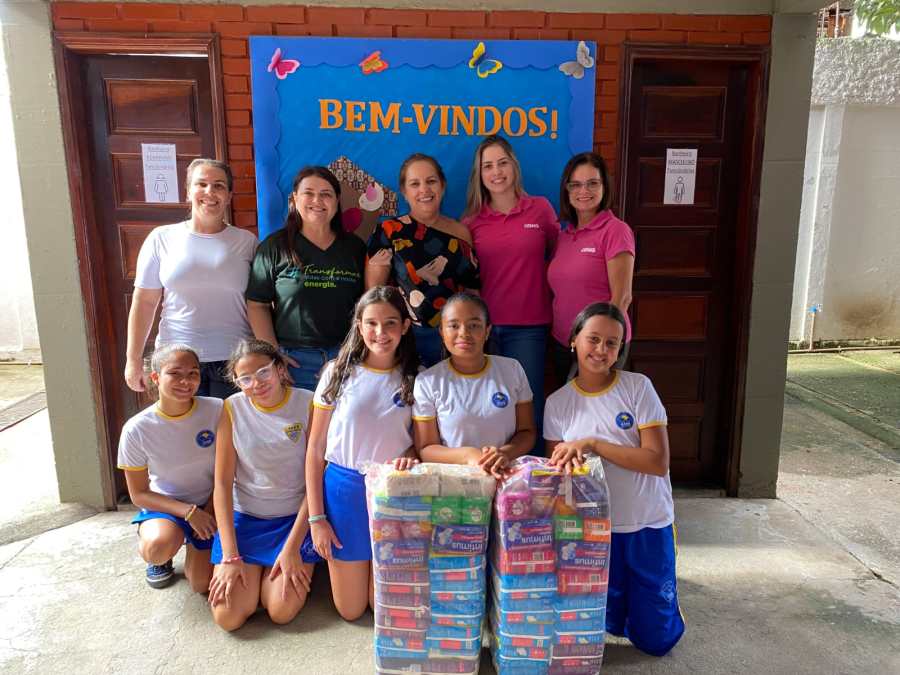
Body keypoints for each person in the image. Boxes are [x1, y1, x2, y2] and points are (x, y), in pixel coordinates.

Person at [545, 302, 684, 657]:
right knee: (600, 625)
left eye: (612, 343)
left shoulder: (638, 388)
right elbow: (557, 474)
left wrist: (593, 444)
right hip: (593, 532)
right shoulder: (558, 403)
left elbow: (657, 462)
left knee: (656, 640)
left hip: (646, 524)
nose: (601, 350)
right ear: (573, 340)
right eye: (593, 339)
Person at [304, 286, 420, 620]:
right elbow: (315, 449)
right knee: (351, 610)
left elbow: (419, 442)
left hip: (391, 490)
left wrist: (411, 454)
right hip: (344, 490)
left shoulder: (417, 378)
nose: (380, 332)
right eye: (371, 323)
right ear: (359, 325)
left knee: (381, 607)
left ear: (405, 326)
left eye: (390, 323)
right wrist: (317, 519)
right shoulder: (337, 373)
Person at [208, 340, 317, 631]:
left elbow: (316, 478)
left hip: (293, 520)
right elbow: (222, 484)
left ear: (280, 369)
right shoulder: (231, 408)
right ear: (236, 382)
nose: (256, 383)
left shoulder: (307, 402)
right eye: (245, 378)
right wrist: (230, 555)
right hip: (245, 518)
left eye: (263, 372)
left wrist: (293, 548)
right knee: (228, 617)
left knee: (281, 611)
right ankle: (251, 575)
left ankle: (291, 566)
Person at [125, 159, 258, 399]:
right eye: (201, 184)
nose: (210, 192)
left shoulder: (247, 242)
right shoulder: (161, 238)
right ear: (188, 191)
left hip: (234, 362)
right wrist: (133, 360)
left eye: (219, 185)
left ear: (229, 195)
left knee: (230, 425)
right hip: (176, 361)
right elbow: (144, 302)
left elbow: (259, 305)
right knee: (182, 424)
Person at [462, 135, 559, 453]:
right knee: (490, 409)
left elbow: (558, 256)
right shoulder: (471, 223)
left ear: (514, 166)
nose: (496, 172)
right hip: (485, 330)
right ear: (479, 174)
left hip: (530, 327)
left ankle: (534, 474)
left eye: (502, 163)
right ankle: (493, 474)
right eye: (488, 166)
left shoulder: (540, 210)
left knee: (529, 407)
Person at [246, 166, 366, 391]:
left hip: (345, 358)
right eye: (308, 193)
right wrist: (273, 354)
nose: (317, 201)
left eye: (326, 194)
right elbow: (257, 304)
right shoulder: (274, 247)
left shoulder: (355, 248)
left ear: (337, 200)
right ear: (294, 198)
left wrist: (355, 351)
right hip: (294, 362)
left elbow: (366, 304)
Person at [117, 344, 220, 591]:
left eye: (193, 373)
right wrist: (189, 513)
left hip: (212, 503)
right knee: (157, 547)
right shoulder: (137, 428)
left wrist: (208, 510)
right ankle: (164, 555)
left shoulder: (217, 409)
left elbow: (230, 469)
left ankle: (195, 545)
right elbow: (139, 494)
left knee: (201, 584)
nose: (186, 381)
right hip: (167, 506)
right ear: (155, 377)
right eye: (175, 373)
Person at [366, 154, 480, 368]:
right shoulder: (388, 231)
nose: (424, 190)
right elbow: (374, 295)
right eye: (415, 184)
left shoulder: (461, 232)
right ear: (404, 191)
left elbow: (472, 291)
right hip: (406, 339)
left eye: (431, 181)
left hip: (456, 338)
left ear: (442, 186)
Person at [413, 293, 535, 478]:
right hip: (455, 484)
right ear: (442, 332)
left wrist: (504, 454)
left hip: (506, 478)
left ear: (487, 331)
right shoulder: (427, 381)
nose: (464, 333)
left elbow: (527, 432)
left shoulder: (512, 369)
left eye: (474, 325)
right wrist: (469, 455)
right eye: (454, 325)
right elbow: (426, 449)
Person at [548, 152, 635, 384]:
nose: (583, 191)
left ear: (604, 186)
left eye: (592, 183)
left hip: (598, 347)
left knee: (595, 406)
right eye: (575, 185)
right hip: (563, 341)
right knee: (568, 405)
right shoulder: (564, 235)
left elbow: (622, 297)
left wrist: (599, 344)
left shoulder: (615, 231)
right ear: (567, 190)